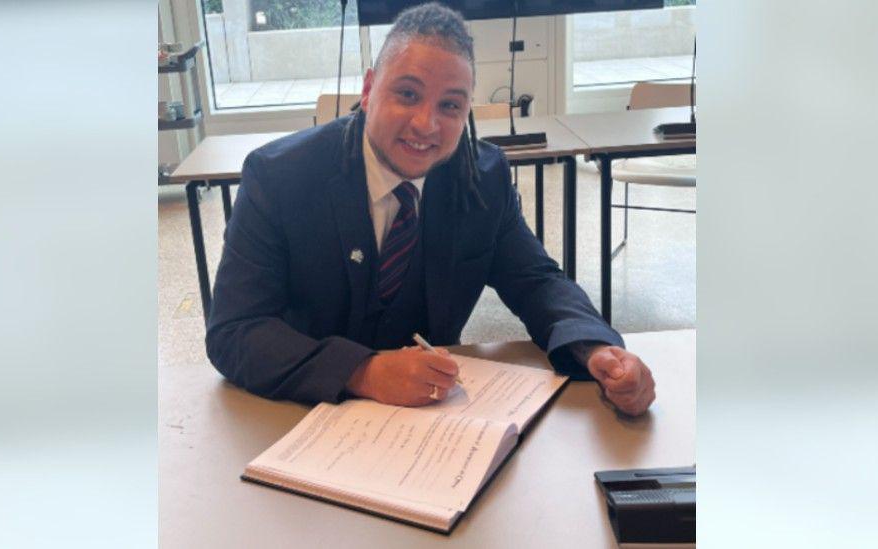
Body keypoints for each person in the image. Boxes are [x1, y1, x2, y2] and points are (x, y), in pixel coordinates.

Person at [205, 2, 655, 416]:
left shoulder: (483, 176)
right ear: (368, 88)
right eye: (407, 94)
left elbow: (536, 281)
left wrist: (595, 349)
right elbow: (235, 330)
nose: (426, 124)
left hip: (432, 425)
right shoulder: (279, 176)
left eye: (450, 105)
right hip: (299, 412)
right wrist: (363, 371)